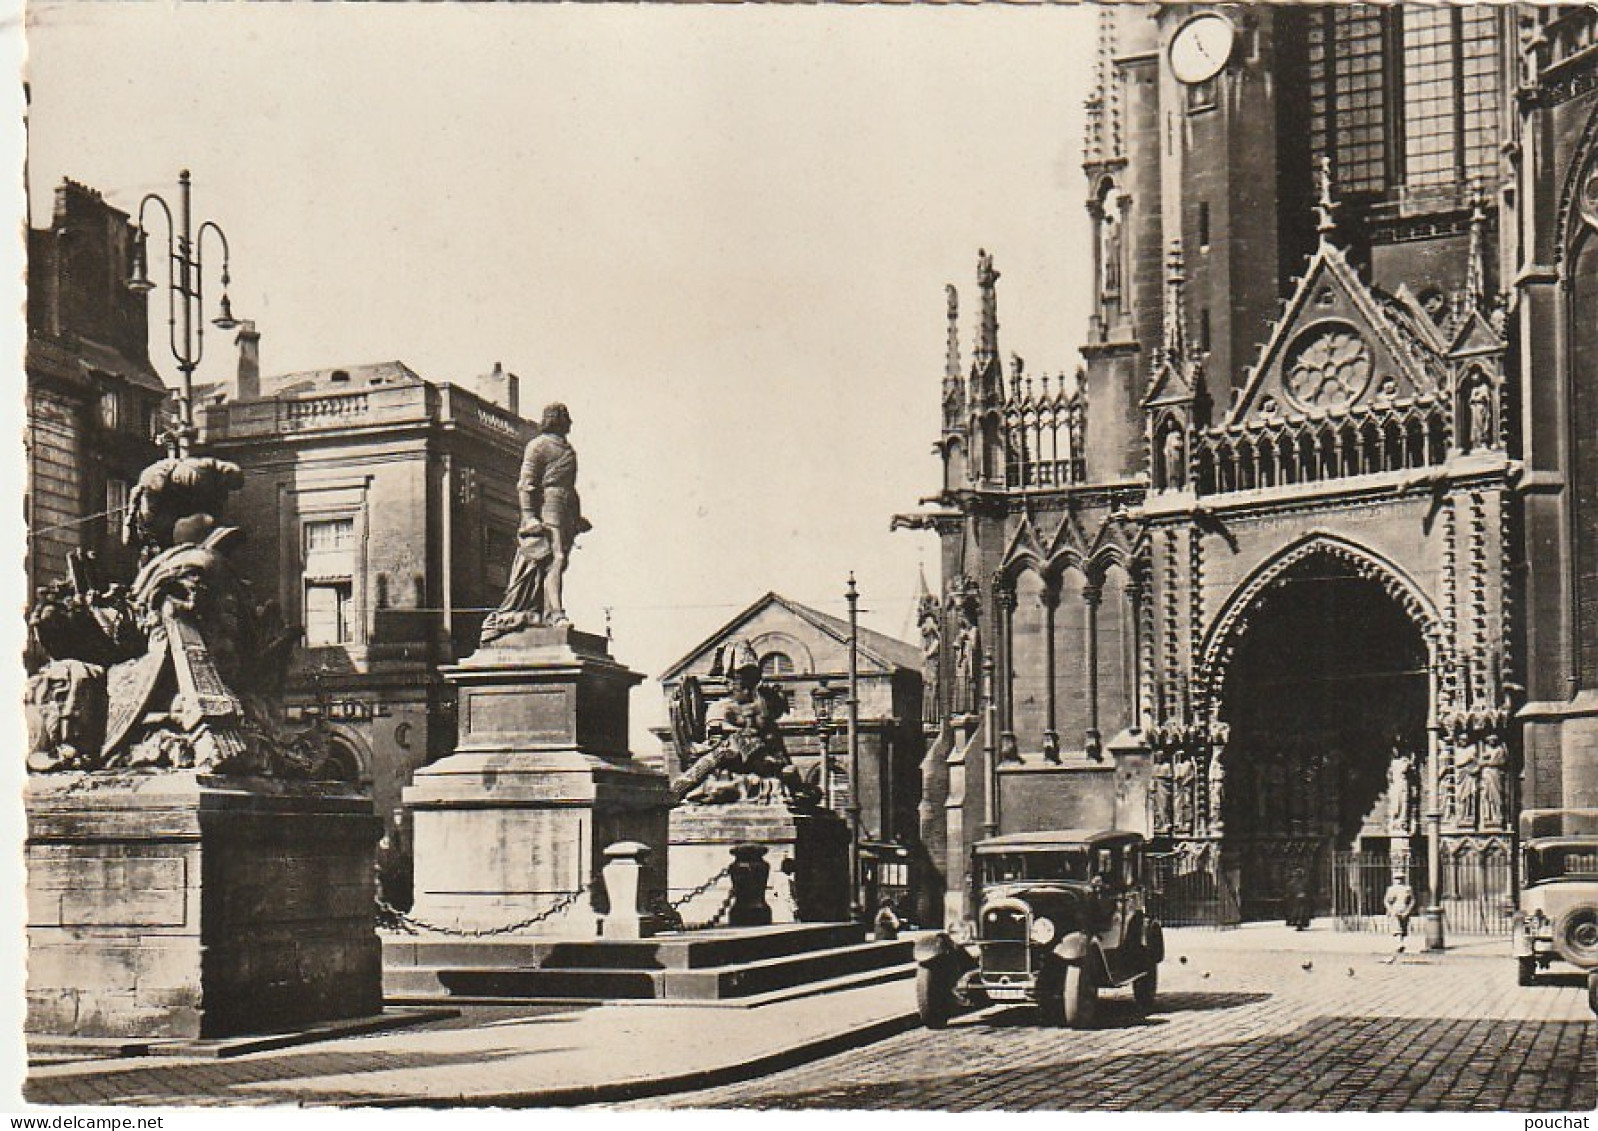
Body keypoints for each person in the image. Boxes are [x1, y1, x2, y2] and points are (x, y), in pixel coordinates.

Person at [480, 403, 591, 644]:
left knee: (560, 562)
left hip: (566, 508)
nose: (570, 423)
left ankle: (546, 611)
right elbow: (526, 484)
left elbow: (570, 486)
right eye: (566, 418)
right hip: (549, 505)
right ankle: (556, 615)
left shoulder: (567, 448)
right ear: (557, 420)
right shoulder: (538, 446)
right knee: (556, 558)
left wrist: (578, 515)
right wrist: (529, 516)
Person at [1383, 872, 1416, 954]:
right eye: (1397, 878)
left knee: (1403, 927)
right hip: (1395, 909)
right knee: (1397, 928)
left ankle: (1400, 943)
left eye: (1400, 878)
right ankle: (1399, 944)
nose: (1399, 880)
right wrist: (1390, 909)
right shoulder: (1391, 889)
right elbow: (1386, 900)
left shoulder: (1407, 888)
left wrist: (1408, 910)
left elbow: (1412, 900)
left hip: (1404, 908)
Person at [1284, 864, 1312, 931]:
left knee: (1299, 911)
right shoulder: (1302, 882)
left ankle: (1299, 922)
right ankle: (1298, 922)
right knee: (1298, 911)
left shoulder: (1294, 882)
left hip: (1299, 900)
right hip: (1298, 899)